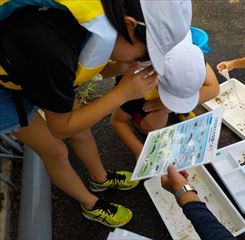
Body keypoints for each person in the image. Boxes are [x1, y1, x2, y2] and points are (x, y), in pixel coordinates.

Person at [0, 0, 205, 227]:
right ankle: (90, 203)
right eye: (143, 54)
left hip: (35, 67)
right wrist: (121, 94)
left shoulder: (108, 13)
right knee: (55, 150)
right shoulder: (52, 49)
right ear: (129, 25)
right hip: (6, 89)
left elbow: (85, 62)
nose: (138, 61)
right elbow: (60, 127)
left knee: (82, 128)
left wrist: (119, 68)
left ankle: (100, 179)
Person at [111, 34, 220, 159]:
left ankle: (178, 107)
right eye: (174, 98)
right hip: (146, 102)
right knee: (153, 125)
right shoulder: (136, 85)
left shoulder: (190, 58)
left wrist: (169, 106)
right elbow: (117, 121)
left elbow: (214, 89)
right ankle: (142, 121)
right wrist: (139, 151)